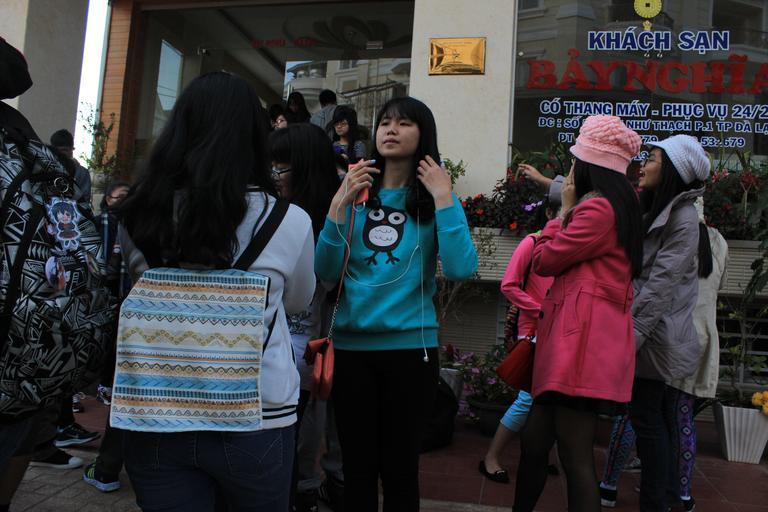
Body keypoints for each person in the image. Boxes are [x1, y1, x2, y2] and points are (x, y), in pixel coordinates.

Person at [117, 71, 316, 512]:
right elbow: (299, 301)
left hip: (156, 410)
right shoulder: (290, 220)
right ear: (255, 137)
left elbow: (141, 286)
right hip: (258, 416)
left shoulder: (136, 213)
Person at [315, 96, 478, 512]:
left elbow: (460, 268)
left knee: (401, 470)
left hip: (410, 353)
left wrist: (444, 196)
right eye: (385, 122)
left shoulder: (434, 199)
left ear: (423, 135)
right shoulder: (355, 195)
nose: (391, 129)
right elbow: (326, 269)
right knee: (356, 469)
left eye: (404, 123)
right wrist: (337, 204)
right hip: (351, 352)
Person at [513, 115, 644, 512]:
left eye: (576, 160)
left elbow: (545, 260)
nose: (571, 169)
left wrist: (562, 212)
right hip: (578, 344)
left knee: (575, 456)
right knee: (535, 442)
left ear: (590, 165)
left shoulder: (598, 210)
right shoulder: (617, 205)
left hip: (580, 348)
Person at [599, 197, 727, 511]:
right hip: (700, 336)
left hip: (666, 334)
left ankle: (610, 486)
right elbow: (719, 284)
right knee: (679, 417)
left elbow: (654, 284)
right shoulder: (718, 242)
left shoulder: (670, 232)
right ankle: (680, 493)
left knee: (636, 413)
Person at [630, 135, 711, 512]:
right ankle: (662, 499)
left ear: (673, 171)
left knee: (648, 421)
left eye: (652, 159)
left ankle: (656, 503)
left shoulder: (683, 218)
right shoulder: (662, 208)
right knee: (652, 419)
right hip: (652, 332)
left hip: (654, 336)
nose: (644, 165)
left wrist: (630, 337)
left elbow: (660, 285)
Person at [268, 124, 344, 512]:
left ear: (306, 168)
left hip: (305, 351)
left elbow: (321, 286)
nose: (274, 175)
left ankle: (304, 489)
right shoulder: (271, 214)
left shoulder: (333, 221)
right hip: (278, 352)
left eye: (282, 166)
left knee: (299, 431)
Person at [478, 203, 555, 484]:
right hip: (533, 333)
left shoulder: (571, 246)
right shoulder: (532, 242)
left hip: (559, 333)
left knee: (550, 400)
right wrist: (542, 311)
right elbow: (508, 285)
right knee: (527, 399)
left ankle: (537, 456)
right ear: (550, 213)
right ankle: (491, 458)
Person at [82, 180, 132, 493]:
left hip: (137, 312)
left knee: (129, 392)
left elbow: (114, 267)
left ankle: (106, 469)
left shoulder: (139, 220)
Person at [50, 128, 92, 205]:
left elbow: (84, 201)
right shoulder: (46, 170)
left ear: (71, 150)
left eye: (64, 150)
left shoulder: (82, 173)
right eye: (57, 151)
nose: (61, 154)